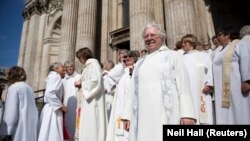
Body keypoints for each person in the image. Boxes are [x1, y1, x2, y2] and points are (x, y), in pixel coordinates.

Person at [128, 22, 196, 141]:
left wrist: (187, 113)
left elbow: (183, 86)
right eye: (146, 36)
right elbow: (132, 92)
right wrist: (127, 116)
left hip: (166, 113)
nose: (149, 38)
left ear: (162, 37)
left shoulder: (173, 56)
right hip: (143, 115)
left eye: (153, 35)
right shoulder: (139, 63)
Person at [213, 24, 250, 124]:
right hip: (221, 88)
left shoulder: (239, 44)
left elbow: (246, 60)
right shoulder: (217, 51)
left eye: (219, 35)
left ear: (227, 35)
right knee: (224, 112)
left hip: (236, 85)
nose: (217, 38)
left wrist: (246, 80)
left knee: (238, 109)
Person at [75, 47, 107, 141]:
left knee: (92, 121)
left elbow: (95, 81)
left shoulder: (93, 65)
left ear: (84, 56)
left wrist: (81, 83)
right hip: (87, 98)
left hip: (93, 100)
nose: (79, 60)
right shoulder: (88, 66)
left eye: (80, 57)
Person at [106, 51, 138, 141]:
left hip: (131, 105)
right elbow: (111, 77)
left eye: (129, 57)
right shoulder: (122, 71)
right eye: (125, 58)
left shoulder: (137, 70)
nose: (127, 59)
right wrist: (122, 64)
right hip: (120, 106)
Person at [181, 34, 214, 124]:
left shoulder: (203, 55)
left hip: (201, 90)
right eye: (182, 42)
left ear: (192, 43)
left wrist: (209, 84)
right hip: (186, 91)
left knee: (204, 116)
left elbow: (210, 70)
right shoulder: (180, 57)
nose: (183, 44)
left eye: (185, 42)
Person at [0, 66, 38, 141]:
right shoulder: (29, 88)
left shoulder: (14, 87)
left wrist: (7, 132)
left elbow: (11, 111)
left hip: (18, 127)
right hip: (30, 127)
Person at [38, 62, 67, 141]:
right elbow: (50, 93)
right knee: (53, 132)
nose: (64, 69)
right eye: (62, 67)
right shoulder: (56, 77)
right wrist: (61, 106)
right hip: (53, 110)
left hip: (50, 108)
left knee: (46, 132)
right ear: (56, 69)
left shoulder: (52, 77)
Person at [63, 61, 82, 141]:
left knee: (77, 123)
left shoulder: (79, 76)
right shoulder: (63, 79)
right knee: (67, 123)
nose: (70, 68)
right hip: (66, 104)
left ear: (74, 67)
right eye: (67, 67)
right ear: (65, 69)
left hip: (77, 103)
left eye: (71, 66)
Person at [235, 25, 250, 111]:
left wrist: (246, 80)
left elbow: (245, 60)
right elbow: (245, 60)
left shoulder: (244, 43)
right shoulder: (245, 42)